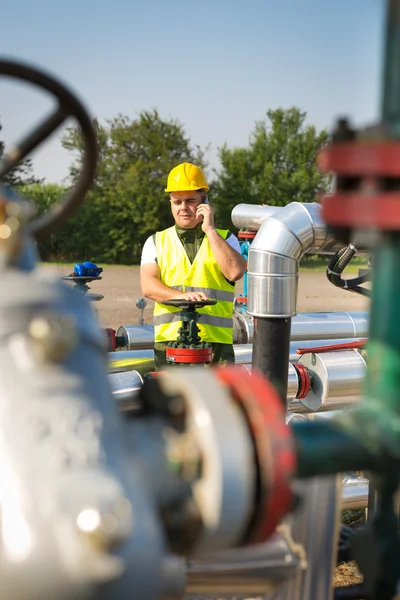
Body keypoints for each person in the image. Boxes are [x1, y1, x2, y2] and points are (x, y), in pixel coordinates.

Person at [140, 161, 247, 369]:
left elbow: (235, 271)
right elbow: (148, 286)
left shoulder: (225, 239)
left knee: (217, 402)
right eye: (176, 201)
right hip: (170, 346)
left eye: (190, 200)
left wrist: (211, 231)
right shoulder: (156, 241)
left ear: (204, 201)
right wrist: (180, 297)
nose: (183, 208)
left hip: (217, 349)